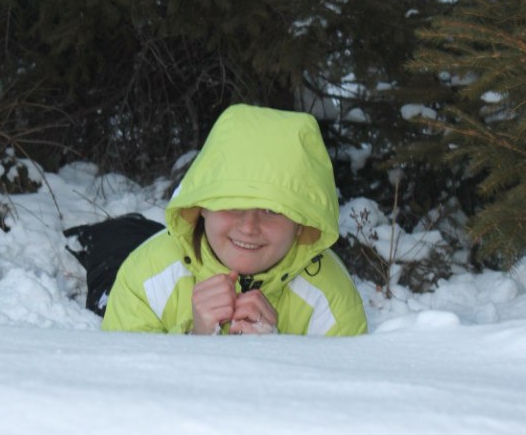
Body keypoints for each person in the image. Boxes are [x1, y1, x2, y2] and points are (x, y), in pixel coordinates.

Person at [101, 104, 368, 336]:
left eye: (272, 210)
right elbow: (121, 384)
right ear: (202, 206)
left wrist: (280, 353)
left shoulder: (331, 298)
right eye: (232, 205)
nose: (248, 227)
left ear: (301, 224)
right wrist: (195, 339)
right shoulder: (147, 276)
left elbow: (343, 393)